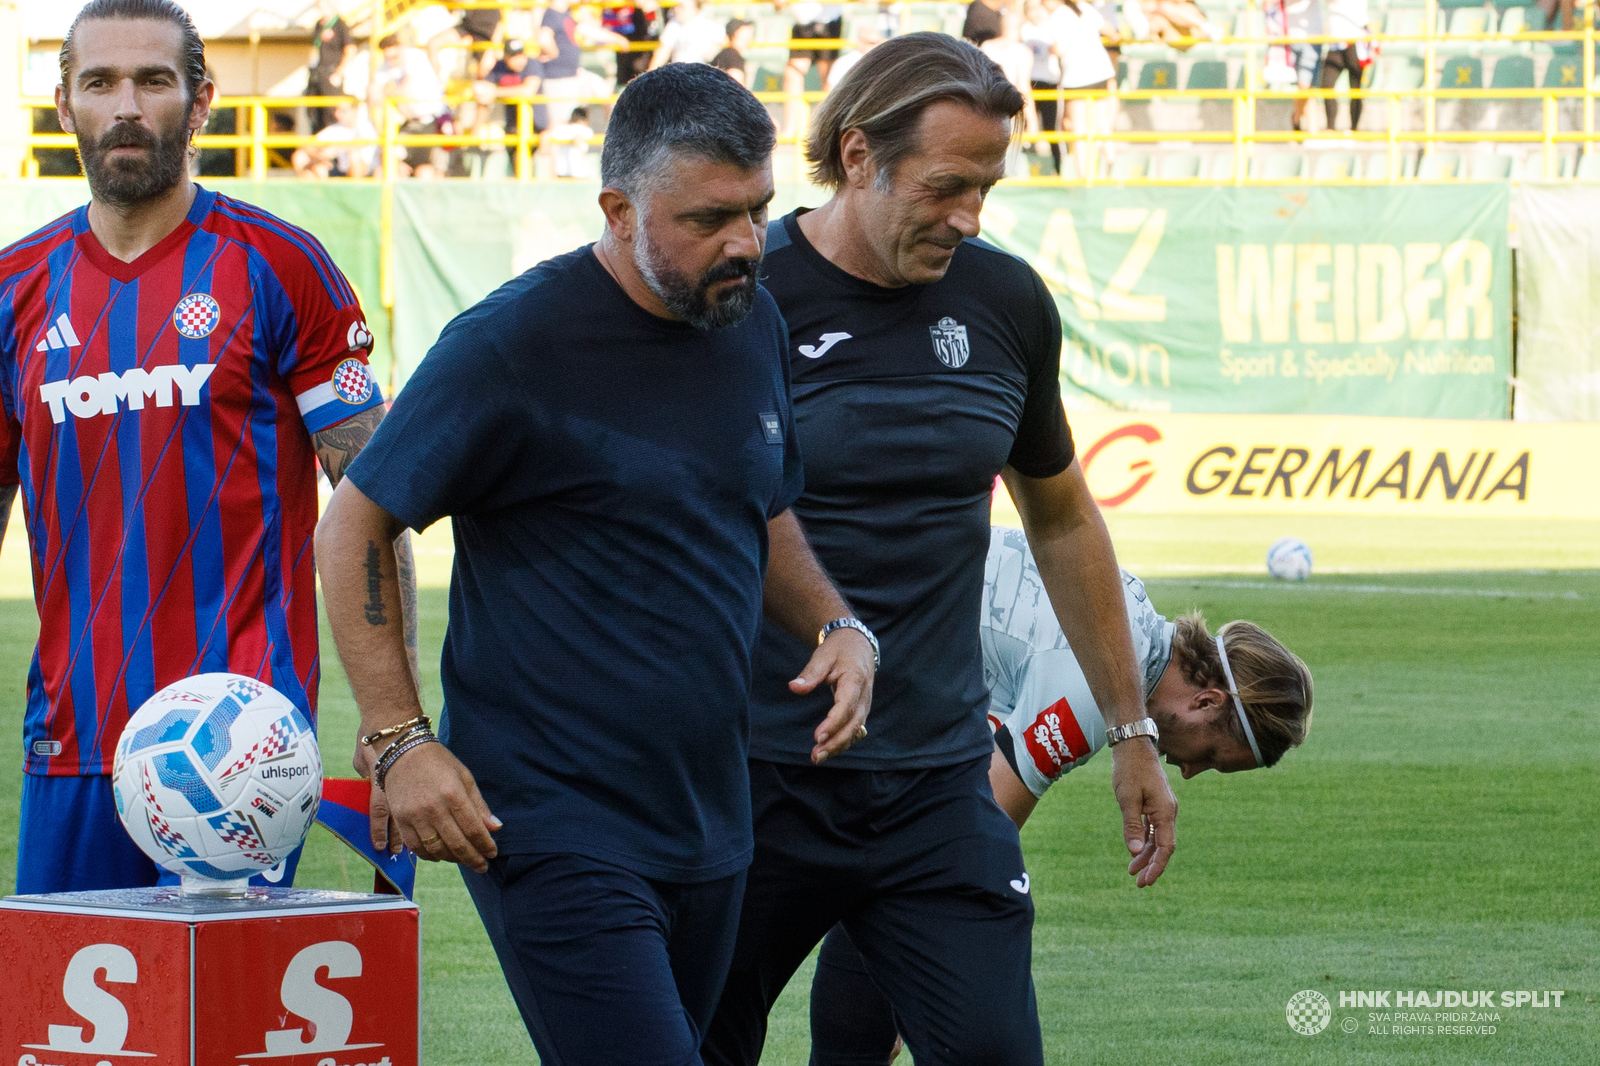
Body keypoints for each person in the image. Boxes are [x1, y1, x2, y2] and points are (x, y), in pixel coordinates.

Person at [314, 62, 876, 1066]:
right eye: (709, 218)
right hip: (547, 815)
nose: (745, 242)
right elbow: (353, 524)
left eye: (757, 210)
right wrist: (401, 739)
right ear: (620, 209)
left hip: (711, 812)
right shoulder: (509, 344)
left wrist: (835, 625)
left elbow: (759, 500)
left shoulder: (749, 318)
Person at [702, 33, 1178, 1066]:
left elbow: (1060, 520)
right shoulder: (746, 298)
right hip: (750, 779)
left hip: (934, 785)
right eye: (948, 186)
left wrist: (1133, 730)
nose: (969, 216)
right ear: (861, 154)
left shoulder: (1005, 302)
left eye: (988, 189)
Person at [0, 0, 413, 895]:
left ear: (201, 100)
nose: (126, 106)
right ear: (64, 105)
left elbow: (374, 503)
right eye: (99, 82)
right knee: (73, 1034)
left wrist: (394, 727)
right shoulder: (15, 288)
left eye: (154, 81)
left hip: (243, 749)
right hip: (73, 736)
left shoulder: (282, 266)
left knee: (234, 1029)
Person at [808, 526, 1315, 1061]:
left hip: (868, 581)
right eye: (1211, 757)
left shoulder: (1135, 618)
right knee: (910, 871)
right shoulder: (1095, 697)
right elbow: (962, 839)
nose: (1188, 773)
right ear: (1207, 702)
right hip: (846, 613)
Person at [370, 32, 451, 178]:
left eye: (394, 57)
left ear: (401, 48)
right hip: (411, 123)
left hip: (432, 123)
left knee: (431, 171)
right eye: (388, 58)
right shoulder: (389, 63)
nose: (391, 62)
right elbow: (373, 91)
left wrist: (384, 94)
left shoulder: (415, 58)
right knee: (387, 169)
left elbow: (403, 91)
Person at [1052, 0, 1119, 173]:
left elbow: (1059, 48)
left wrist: (1051, 50)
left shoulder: (1059, 14)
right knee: (1103, 123)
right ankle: (1112, 166)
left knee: (1079, 129)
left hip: (1077, 76)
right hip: (1099, 71)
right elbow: (1111, 32)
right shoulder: (1086, 8)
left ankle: (1084, 174)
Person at [292, 98, 377, 178]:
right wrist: (320, 156)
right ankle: (316, 192)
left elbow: (363, 143)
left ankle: (356, 190)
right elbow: (309, 144)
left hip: (365, 170)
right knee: (301, 157)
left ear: (355, 110)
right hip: (340, 169)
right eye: (336, 110)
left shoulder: (365, 125)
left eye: (343, 111)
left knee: (354, 155)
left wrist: (336, 148)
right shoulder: (337, 128)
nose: (337, 114)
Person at [305, 0, 356, 132]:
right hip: (317, 73)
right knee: (314, 112)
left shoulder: (340, 24)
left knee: (332, 112)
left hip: (331, 73)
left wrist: (338, 73)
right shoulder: (319, 24)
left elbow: (350, 50)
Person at [1321, 0, 1370, 132]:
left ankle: (1354, 129)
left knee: (1355, 87)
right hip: (1336, 43)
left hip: (1354, 40)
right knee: (1327, 85)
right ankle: (1330, 128)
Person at [650, 0, 728, 69]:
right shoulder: (674, 24)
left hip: (703, 73)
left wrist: (715, 50)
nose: (676, 9)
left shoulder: (708, 25)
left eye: (682, 7)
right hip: (679, 73)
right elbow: (662, 53)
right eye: (676, 6)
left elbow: (725, 41)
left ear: (695, 9)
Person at [544, 104, 594, 177]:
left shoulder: (561, 129)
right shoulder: (586, 131)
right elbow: (578, 139)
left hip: (561, 172)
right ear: (585, 120)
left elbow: (547, 136)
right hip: (579, 173)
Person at [714, 18, 756, 86]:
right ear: (737, 33)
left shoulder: (724, 55)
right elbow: (735, 88)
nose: (751, 37)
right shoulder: (733, 57)